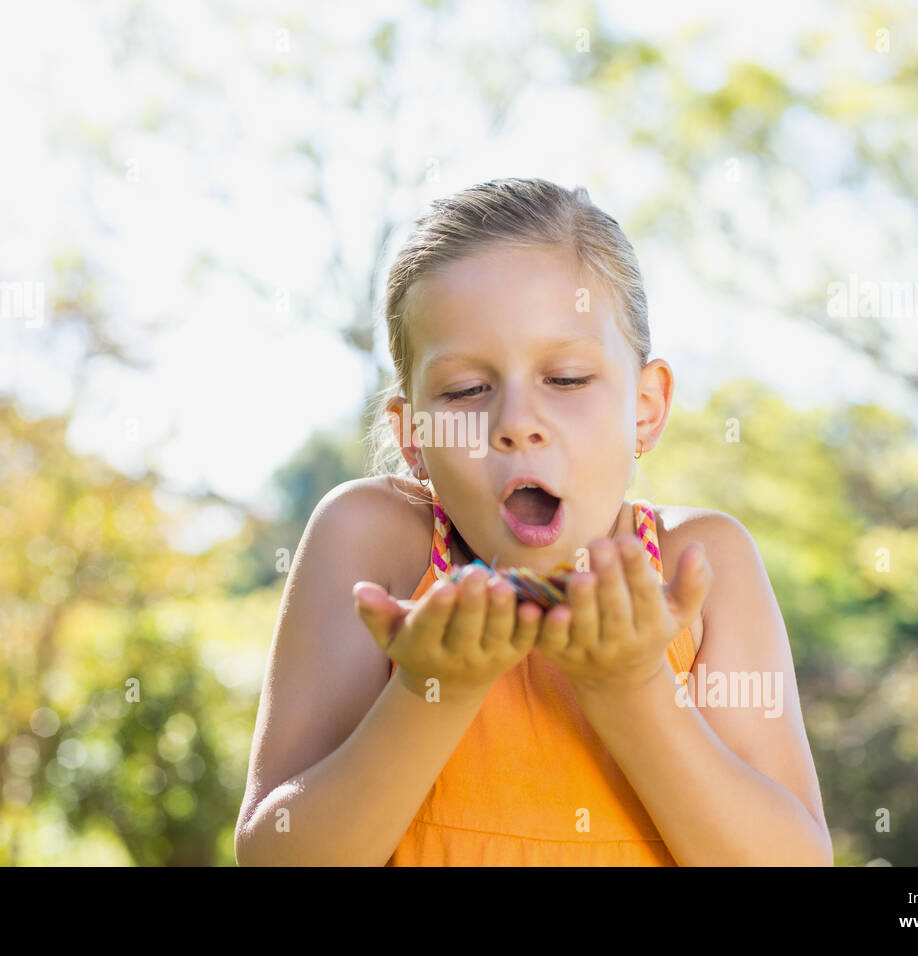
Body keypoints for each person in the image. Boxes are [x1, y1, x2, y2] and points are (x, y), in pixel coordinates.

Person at [234, 177, 832, 866]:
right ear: (412, 435)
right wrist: (435, 690)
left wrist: (631, 686)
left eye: (567, 379)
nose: (516, 424)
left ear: (645, 407)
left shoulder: (697, 566)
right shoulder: (375, 544)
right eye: (465, 390)